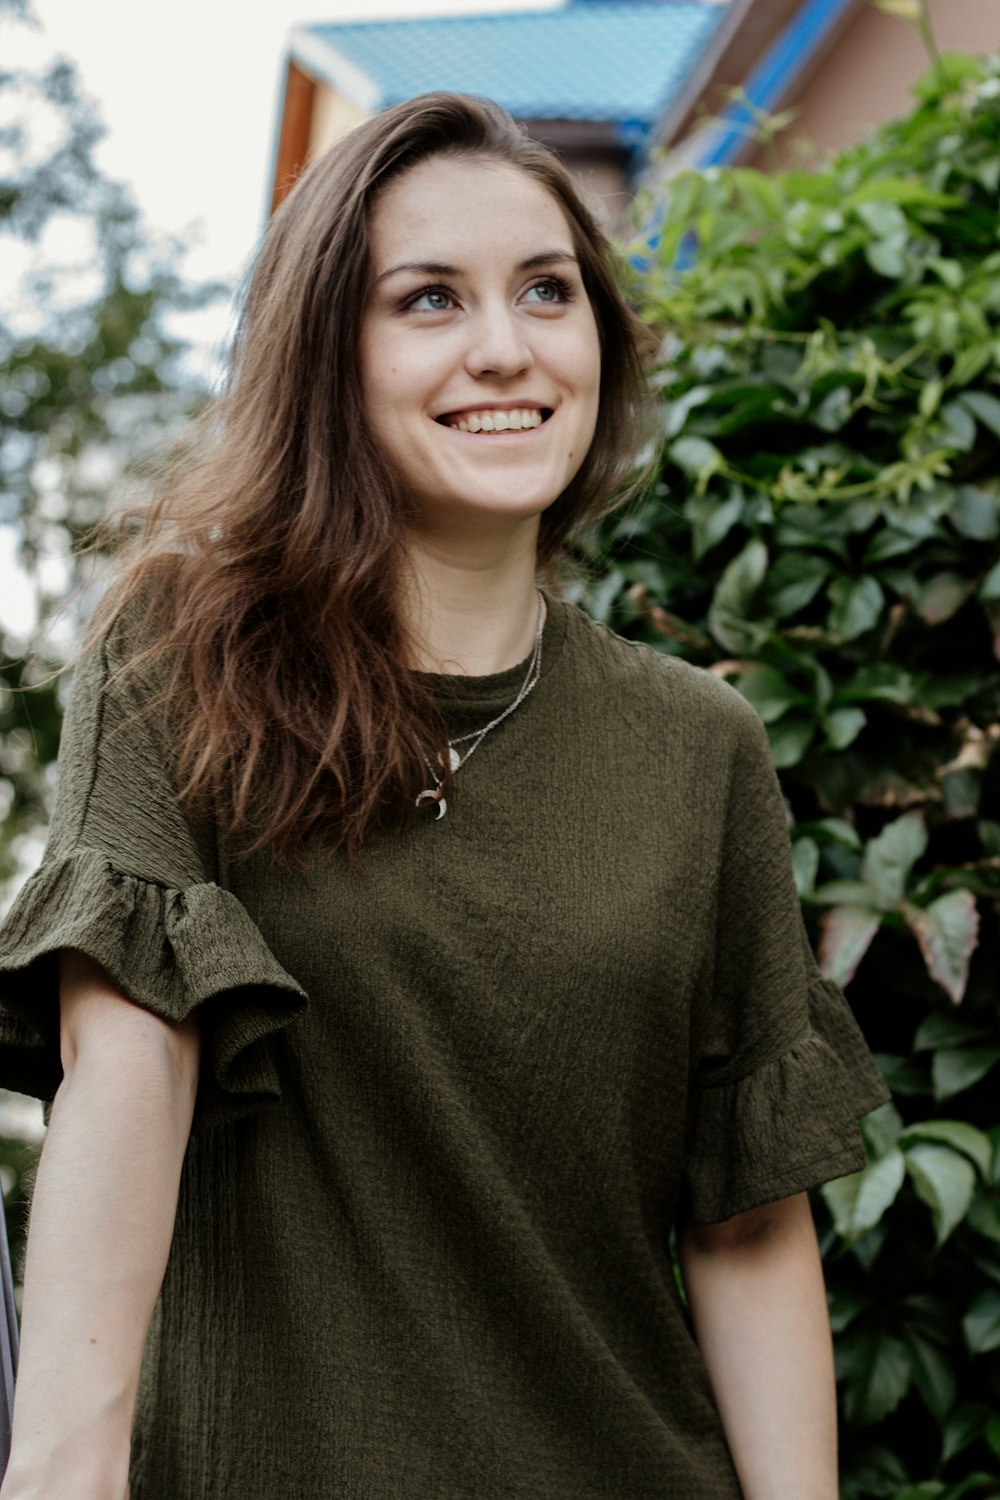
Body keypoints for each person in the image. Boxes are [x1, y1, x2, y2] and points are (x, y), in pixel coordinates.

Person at [0, 92, 887, 1500]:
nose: (505, 348)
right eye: (428, 300)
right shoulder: (181, 662)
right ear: (329, 357)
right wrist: (61, 1476)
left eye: (547, 291)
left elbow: (745, 1226)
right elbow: (124, 1078)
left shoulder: (698, 746)